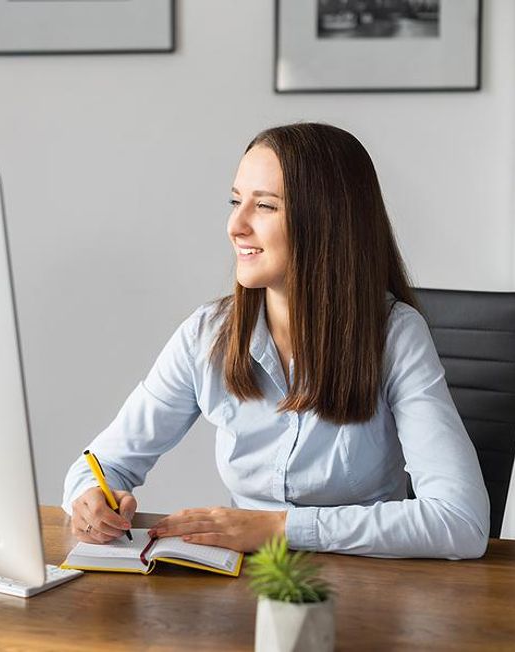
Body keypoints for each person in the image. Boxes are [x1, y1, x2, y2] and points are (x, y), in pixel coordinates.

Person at [61, 123, 489, 559]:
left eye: (264, 206)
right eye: (235, 201)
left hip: (366, 591)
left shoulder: (396, 336)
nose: (235, 225)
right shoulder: (206, 333)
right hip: (245, 587)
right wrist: (90, 498)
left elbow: (460, 520)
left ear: (327, 223)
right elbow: (104, 463)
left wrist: (280, 528)